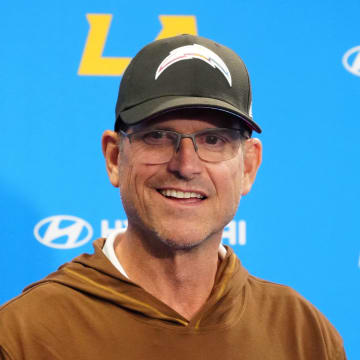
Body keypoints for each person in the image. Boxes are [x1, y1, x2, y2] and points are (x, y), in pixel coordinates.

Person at [0, 34, 346, 359]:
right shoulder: (23, 336)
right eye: (159, 137)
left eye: (214, 140)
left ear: (249, 167)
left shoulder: (303, 334)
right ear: (115, 158)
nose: (186, 165)